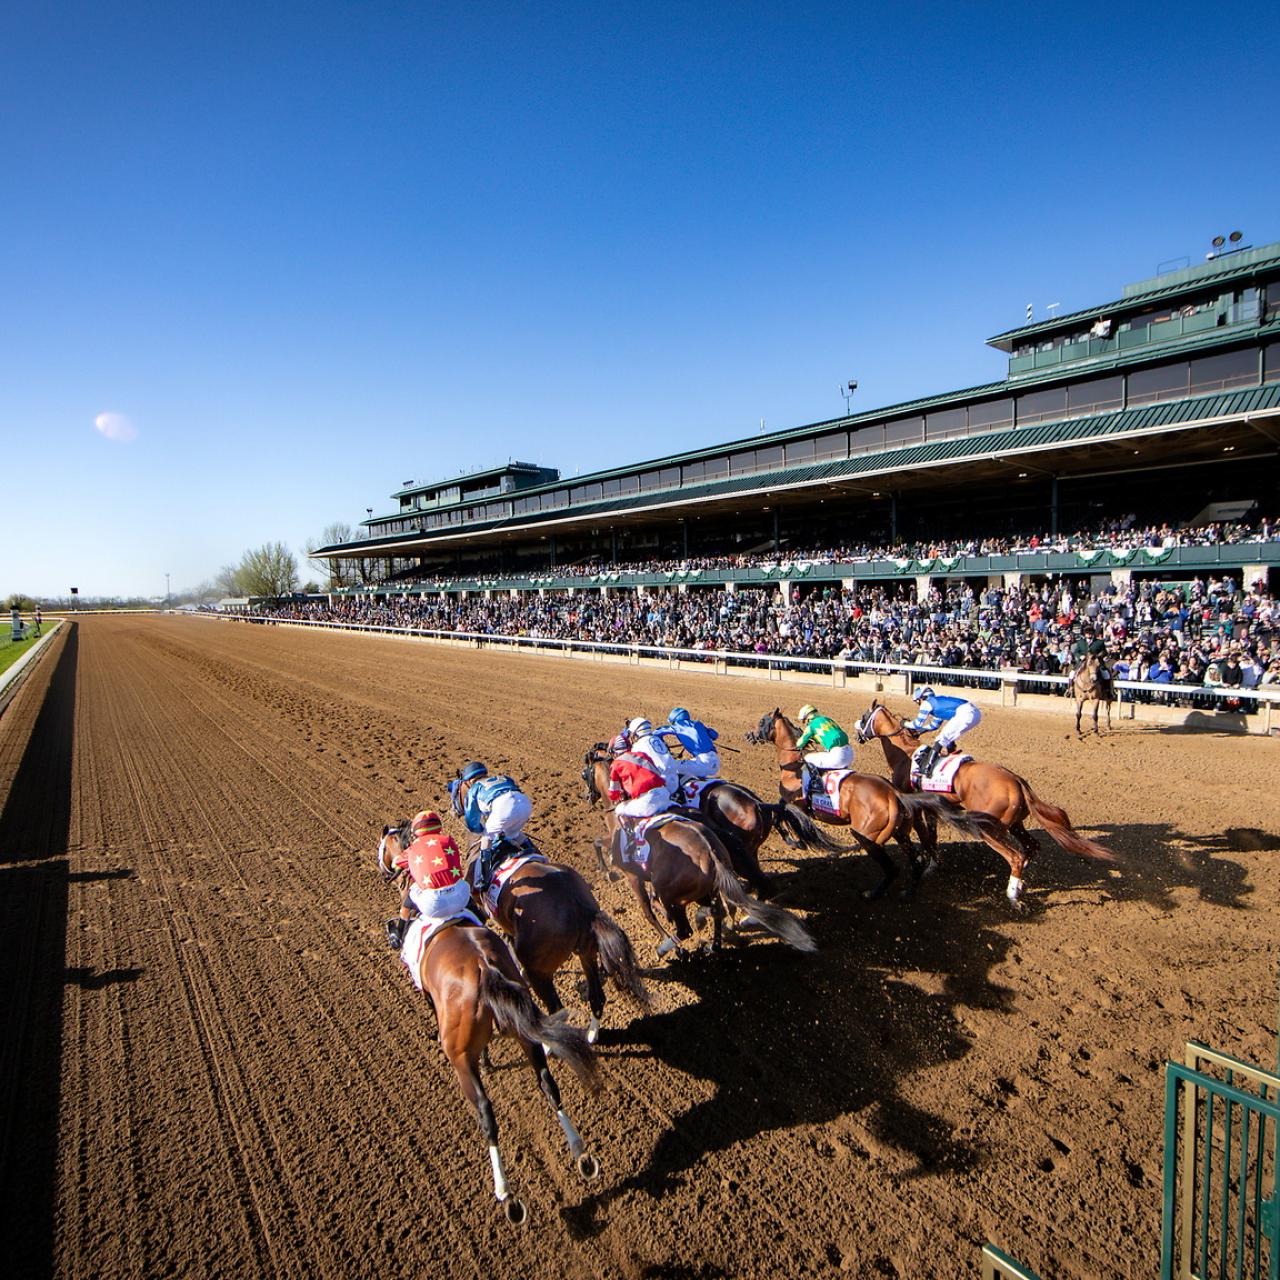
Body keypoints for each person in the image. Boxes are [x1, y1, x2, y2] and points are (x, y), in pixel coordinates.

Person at [384, 810, 470, 950]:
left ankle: (399, 934)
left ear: (416, 830)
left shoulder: (413, 848)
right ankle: (479, 914)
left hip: (433, 904)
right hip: (461, 897)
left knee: (413, 890)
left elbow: (396, 862)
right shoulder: (448, 840)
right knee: (462, 883)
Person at [451, 761, 535, 891]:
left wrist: (481, 830)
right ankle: (537, 855)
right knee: (515, 834)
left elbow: (472, 821)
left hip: (504, 808)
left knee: (486, 839)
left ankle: (484, 879)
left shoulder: (474, 788)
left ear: (468, 781)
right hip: (525, 804)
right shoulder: (502, 778)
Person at [607, 736, 675, 865]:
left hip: (648, 802)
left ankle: (632, 840)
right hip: (664, 794)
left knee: (619, 810)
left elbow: (613, 794)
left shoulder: (616, 764)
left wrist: (619, 796)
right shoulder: (642, 755)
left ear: (614, 751)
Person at [906, 687, 982, 778]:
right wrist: (920, 732)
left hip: (966, 712)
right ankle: (951, 756)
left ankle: (927, 769)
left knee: (941, 738)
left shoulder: (927, 703)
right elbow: (934, 725)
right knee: (947, 737)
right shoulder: (937, 704)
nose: (918, 705)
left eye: (917, 702)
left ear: (922, 698)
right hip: (974, 712)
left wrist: (904, 723)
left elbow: (917, 724)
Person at [794, 704, 853, 799]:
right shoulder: (828, 720)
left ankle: (809, 792)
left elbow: (799, 743)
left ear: (808, 718)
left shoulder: (812, 725)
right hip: (849, 753)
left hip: (838, 756)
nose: (806, 724)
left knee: (807, 759)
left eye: (805, 721)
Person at [657, 706, 720, 787]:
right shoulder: (698, 724)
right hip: (715, 761)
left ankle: (677, 794)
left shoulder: (676, 727)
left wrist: (662, 743)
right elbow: (714, 735)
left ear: (674, 720)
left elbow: (657, 732)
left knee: (670, 767)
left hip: (703, 763)